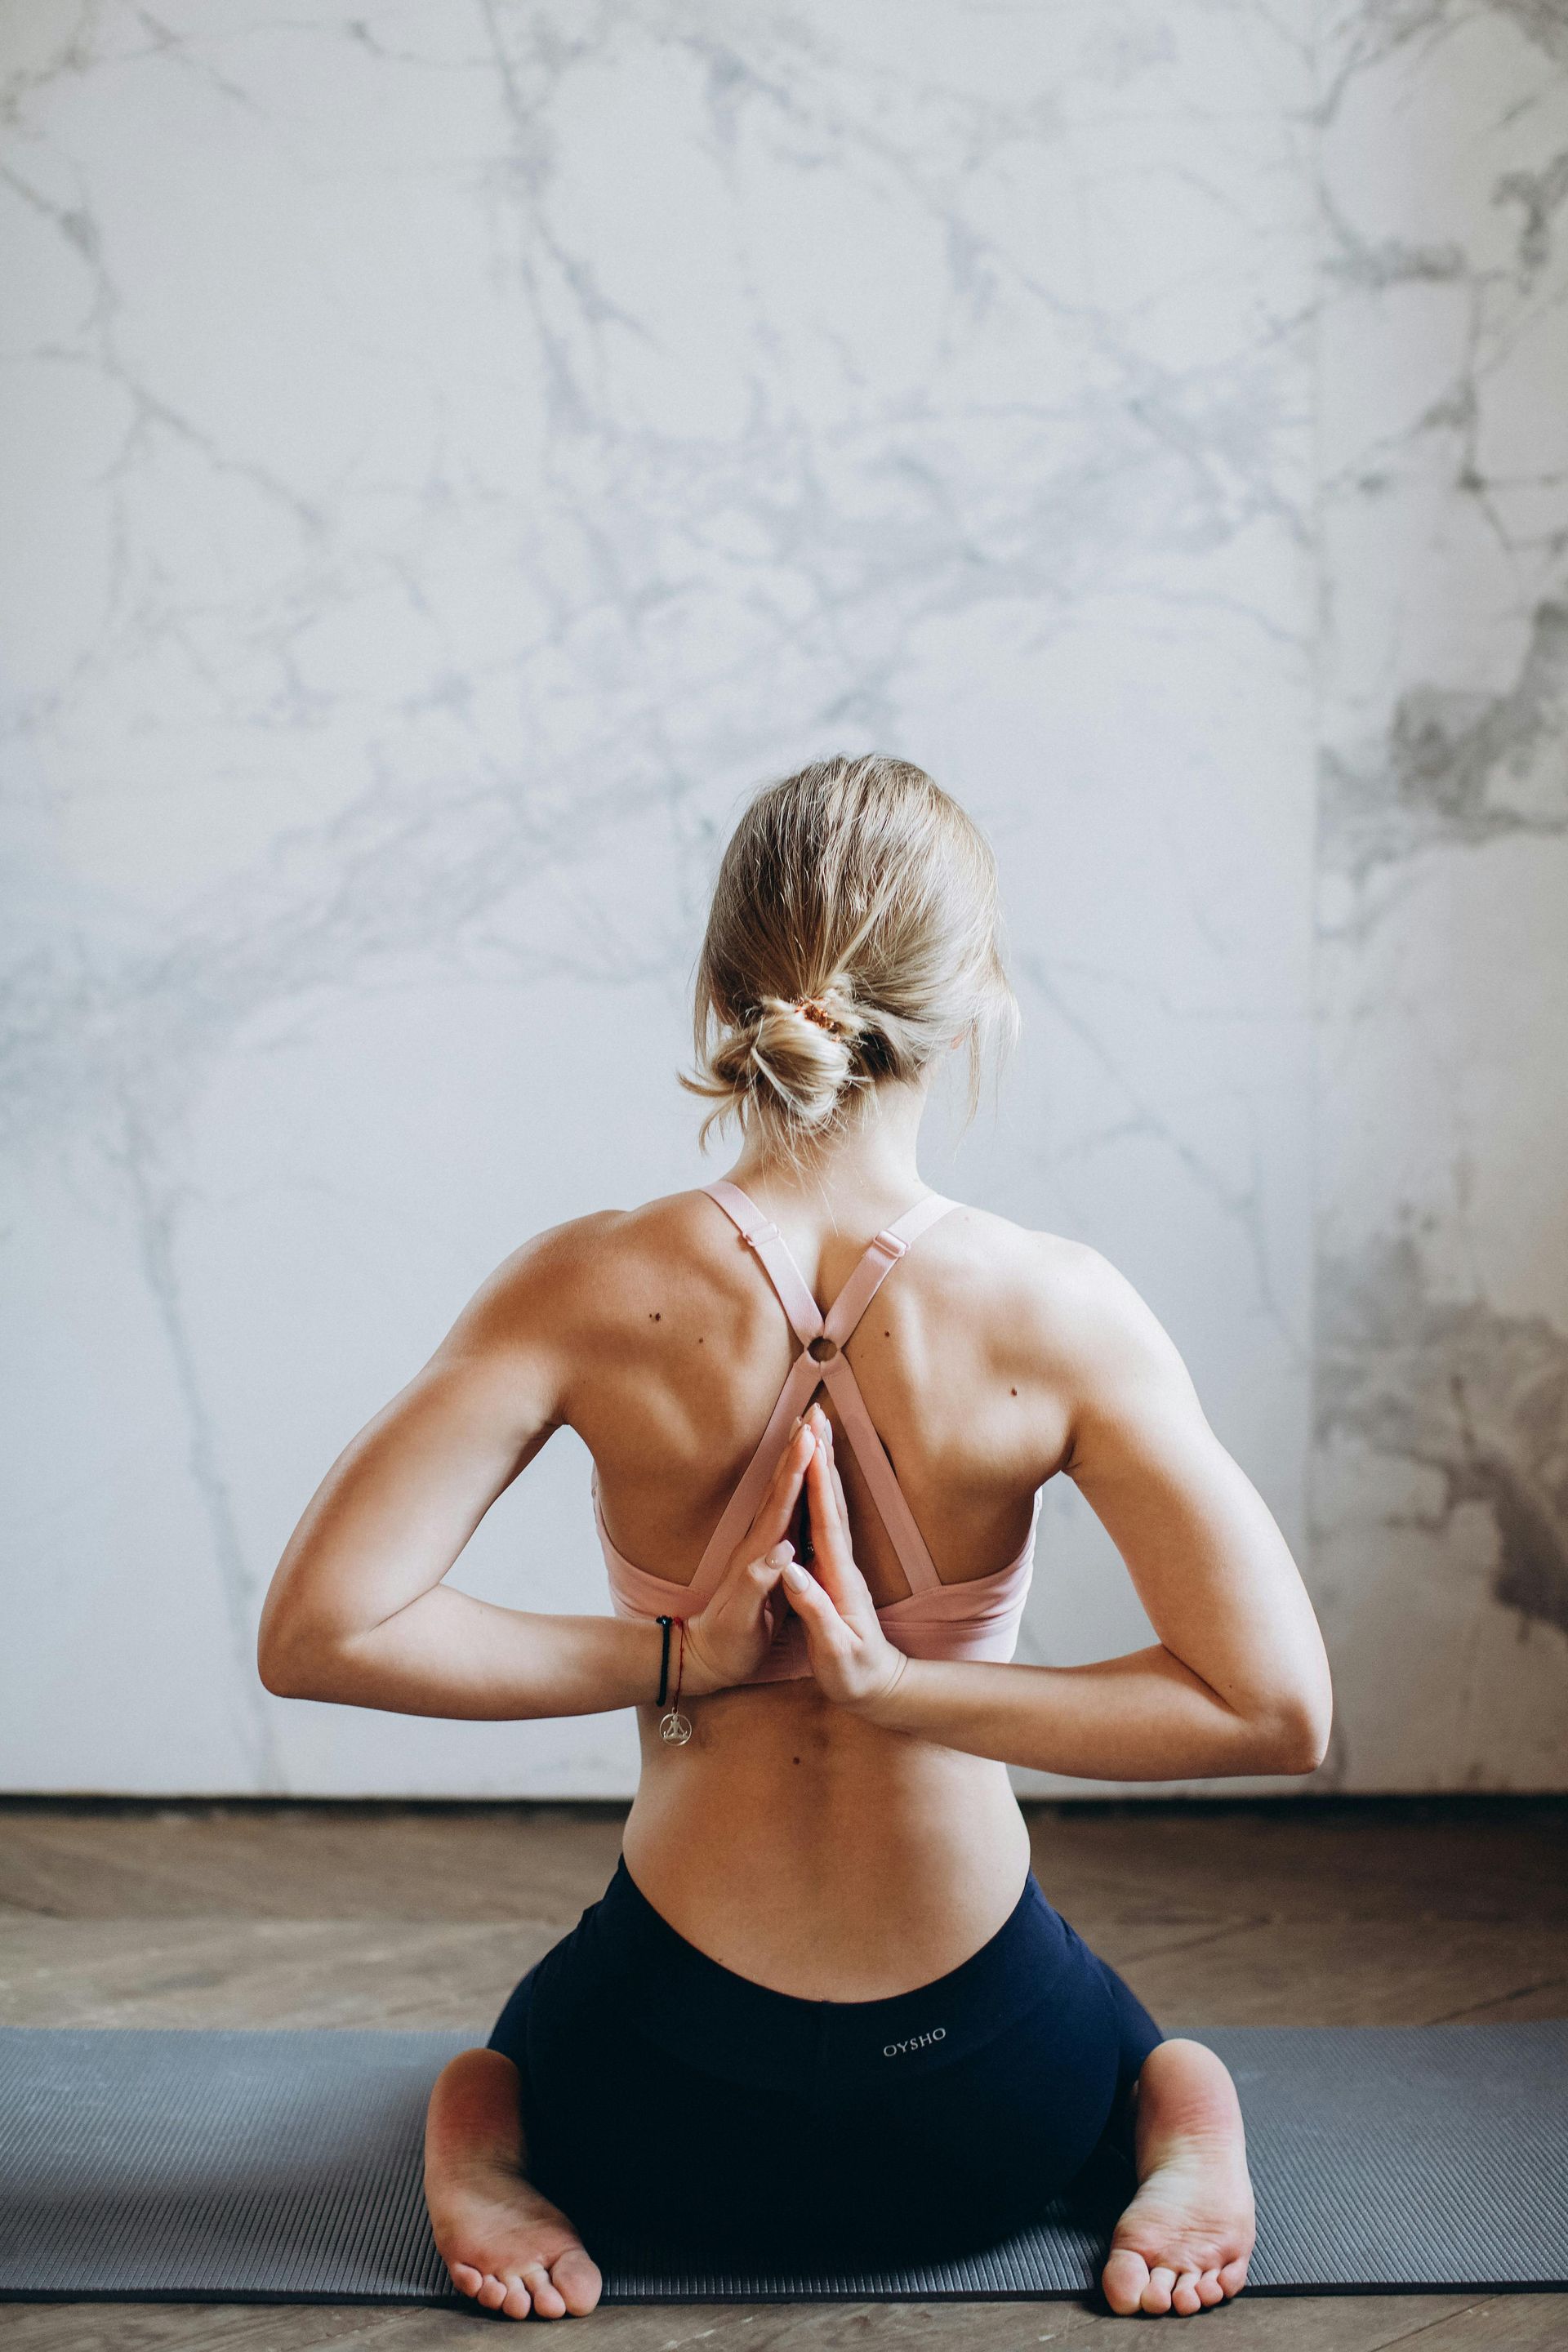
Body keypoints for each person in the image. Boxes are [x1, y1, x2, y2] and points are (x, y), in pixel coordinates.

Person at [258, 754, 1332, 2322]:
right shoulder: (1061, 1310)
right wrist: (907, 1693)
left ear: (722, 994)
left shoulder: (585, 1285)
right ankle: (1177, 2115)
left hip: (649, 2109)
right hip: (986, 2109)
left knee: (508, 2060)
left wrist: (684, 1653)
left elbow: (322, 1633)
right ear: (972, 1004)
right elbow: (1277, 1710)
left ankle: (485, 2135)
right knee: (1136, 2050)